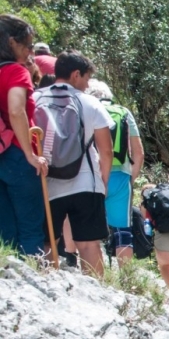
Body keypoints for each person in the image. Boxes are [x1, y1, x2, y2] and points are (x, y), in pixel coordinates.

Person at [35, 50, 113, 277]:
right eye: (87, 78)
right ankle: (98, 292)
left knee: (49, 241)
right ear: (76, 75)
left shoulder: (36, 98)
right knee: (88, 244)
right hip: (86, 182)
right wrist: (103, 182)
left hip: (47, 181)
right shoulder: (90, 102)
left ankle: (49, 283)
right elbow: (106, 151)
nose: (88, 85)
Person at [0, 14, 49, 257]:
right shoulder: (15, 72)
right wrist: (30, 155)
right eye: (28, 45)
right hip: (18, 154)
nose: (30, 52)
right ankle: (34, 276)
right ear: (11, 43)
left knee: (5, 227)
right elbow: (16, 110)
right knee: (30, 226)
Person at [86, 79, 144, 267]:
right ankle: (126, 276)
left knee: (90, 227)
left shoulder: (87, 109)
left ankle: (94, 275)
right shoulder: (123, 113)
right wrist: (130, 179)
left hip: (92, 176)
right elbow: (139, 153)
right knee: (122, 230)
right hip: (120, 177)